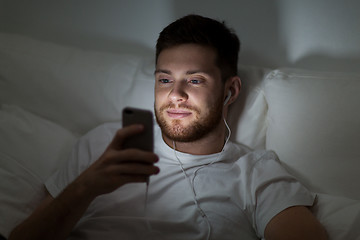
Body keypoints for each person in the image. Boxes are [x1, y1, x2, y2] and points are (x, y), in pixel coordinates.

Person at [9, 14, 328, 240]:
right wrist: (86, 187)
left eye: (194, 80)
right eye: (164, 79)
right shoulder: (103, 144)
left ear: (230, 91)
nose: (175, 95)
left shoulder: (256, 173)